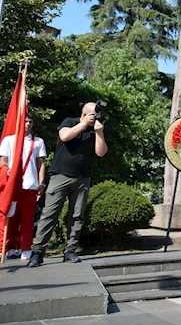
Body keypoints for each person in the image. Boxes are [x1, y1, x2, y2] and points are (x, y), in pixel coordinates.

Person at [27, 103, 108, 267]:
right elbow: (64, 136)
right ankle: (38, 252)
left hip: (83, 178)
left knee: (77, 215)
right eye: (92, 114)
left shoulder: (96, 130)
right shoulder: (70, 121)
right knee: (50, 213)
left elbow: (101, 152)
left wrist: (99, 133)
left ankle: (70, 250)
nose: (95, 118)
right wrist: (83, 125)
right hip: (60, 175)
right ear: (84, 114)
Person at [0, 113, 46, 261]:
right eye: (25, 121)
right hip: (12, 186)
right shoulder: (9, 140)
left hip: (30, 185)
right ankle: (7, 247)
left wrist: (41, 183)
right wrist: (6, 170)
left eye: (30, 122)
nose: (27, 124)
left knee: (27, 220)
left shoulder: (38, 141)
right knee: (9, 217)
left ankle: (26, 247)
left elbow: (41, 164)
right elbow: (3, 160)